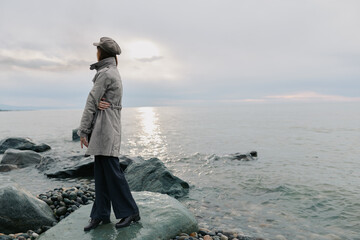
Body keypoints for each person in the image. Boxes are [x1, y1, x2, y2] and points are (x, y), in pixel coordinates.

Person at [77, 37, 140, 231]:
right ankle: (100, 215)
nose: (95, 52)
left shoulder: (105, 74)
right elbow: (98, 101)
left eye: (97, 49)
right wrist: (99, 104)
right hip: (106, 125)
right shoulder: (111, 71)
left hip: (105, 127)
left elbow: (91, 100)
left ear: (101, 53)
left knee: (112, 173)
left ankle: (130, 212)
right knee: (103, 174)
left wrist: (83, 130)